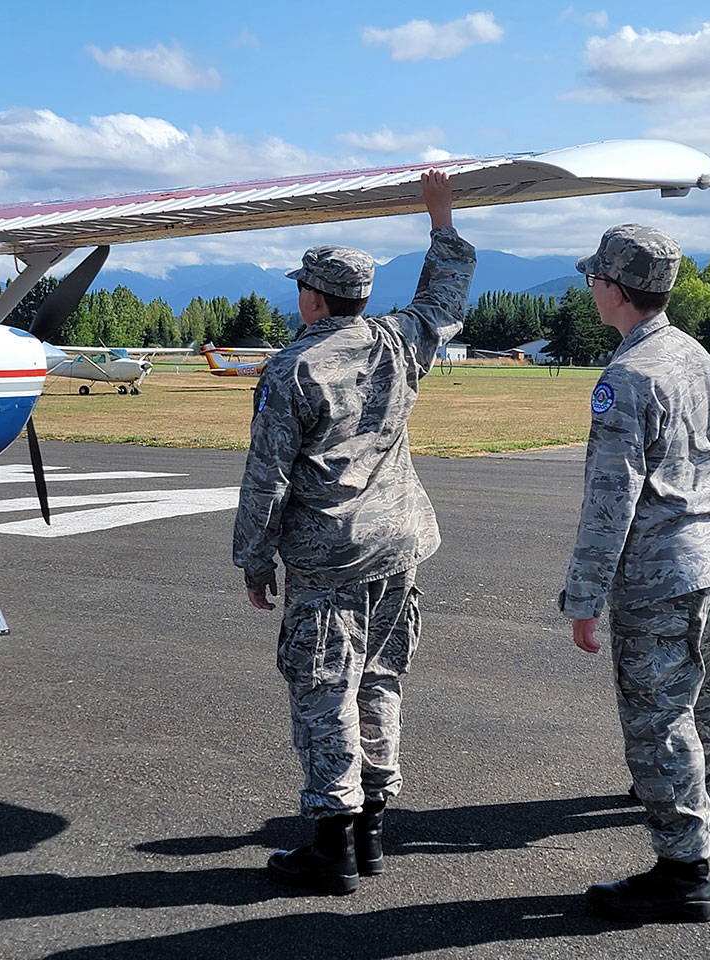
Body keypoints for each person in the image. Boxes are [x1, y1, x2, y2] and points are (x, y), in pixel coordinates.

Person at [232, 170, 473, 896]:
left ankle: (331, 844)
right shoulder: (398, 341)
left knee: (323, 686)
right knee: (380, 677)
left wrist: (253, 557)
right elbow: (445, 297)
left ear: (313, 297)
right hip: (398, 542)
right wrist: (442, 219)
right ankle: (371, 829)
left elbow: (266, 477)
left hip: (330, 554)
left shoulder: (292, 366)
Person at [561, 224, 710, 924]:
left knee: (659, 725)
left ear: (614, 288)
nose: (591, 288)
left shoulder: (627, 375)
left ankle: (682, 872)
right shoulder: (694, 353)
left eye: (595, 278)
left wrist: (585, 595)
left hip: (659, 575)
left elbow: (610, 497)